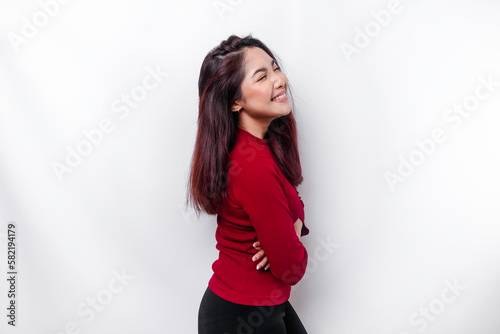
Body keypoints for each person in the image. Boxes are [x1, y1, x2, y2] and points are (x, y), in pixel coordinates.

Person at [187, 34, 309, 334]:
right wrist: (287, 242)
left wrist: (286, 232)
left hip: (259, 305)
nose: (279, 80)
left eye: (275, 68)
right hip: (242, 313)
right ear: (235, 102)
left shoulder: (259, 148)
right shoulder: (253, 167)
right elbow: (291, 267)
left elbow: (295, 205)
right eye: (262, 76)